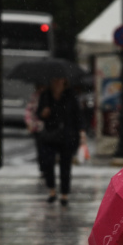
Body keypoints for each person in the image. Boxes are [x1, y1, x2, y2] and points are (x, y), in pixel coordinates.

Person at [36, 76, 84, 207]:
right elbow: (39, 113)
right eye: (54, 79)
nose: (57, 82)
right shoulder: (45, 95)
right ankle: (51, 190)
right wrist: (43, 113)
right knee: (48, 162)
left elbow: (77, 115)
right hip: (50, 135)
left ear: (64, 81)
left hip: (67, 135)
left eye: (60, 79)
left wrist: (81, 132)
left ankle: (64, 193)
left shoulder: (70, 96)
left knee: (65, 165)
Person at [24, 84, 46, 186]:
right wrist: (29, 122)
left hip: (48, 127)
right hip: (37, 127)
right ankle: (43, 168)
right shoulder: (35, 96)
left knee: (47, 149)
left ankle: (46, 167)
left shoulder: (49, 96)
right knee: (40, 149)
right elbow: (29, 110)